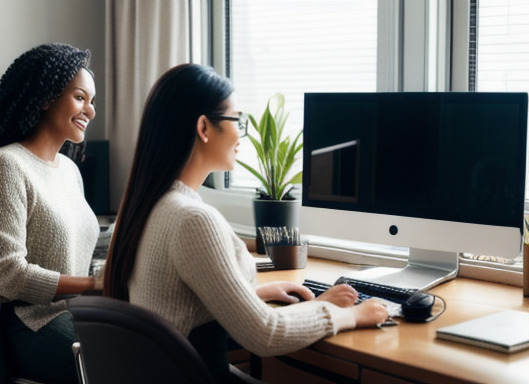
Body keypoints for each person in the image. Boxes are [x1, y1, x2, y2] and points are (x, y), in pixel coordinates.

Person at [103, 63, 388, 382]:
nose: (242, 133)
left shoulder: (153, 205)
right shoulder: (192, 219)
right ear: (204, 128)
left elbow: (181, 304)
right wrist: (350, 315)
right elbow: (266, 335)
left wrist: (251, 294)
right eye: (237, 120)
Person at [0, 43, 101, 384]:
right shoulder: (9, 165)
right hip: (32, 321)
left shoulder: (70, 169)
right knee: (118, 362)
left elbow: (82, 247)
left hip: (78, 311)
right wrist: (94, 285)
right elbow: (9, 273)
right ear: (46, 97)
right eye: (79, 97)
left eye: (92, 101)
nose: (90, 109)